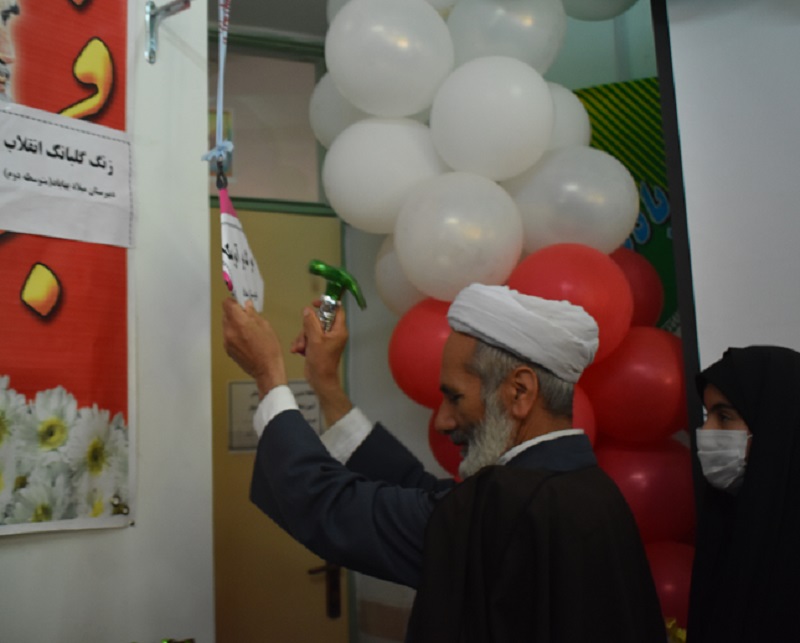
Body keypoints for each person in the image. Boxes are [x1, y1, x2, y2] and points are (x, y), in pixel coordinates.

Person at [222, 283, 666, 642]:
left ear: (520, 392)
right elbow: (425, 495)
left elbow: (331, 506)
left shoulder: (512, 502)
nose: (443, 421)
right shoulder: (582, 487)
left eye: (455, 397)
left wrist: (269, 376)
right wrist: (325, 385)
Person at [688, 345, 800, 643]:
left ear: (775, 426)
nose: (706, 431)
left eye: (724, 417)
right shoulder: (725, 515)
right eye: (707, 415)